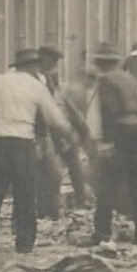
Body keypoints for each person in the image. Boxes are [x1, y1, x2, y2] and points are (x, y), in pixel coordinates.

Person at [0, 47, 75, 256]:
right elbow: (54, 119)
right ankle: (24, 243)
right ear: (33, 66)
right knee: (25, 195)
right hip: (22, 143)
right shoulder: (36, 86)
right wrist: (71, 134)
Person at [89, 42, 137, 246]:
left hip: (121, 131)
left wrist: (108, 142)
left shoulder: (106, 81)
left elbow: (109, 111)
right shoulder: (130, 79)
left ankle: (101, 232)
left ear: (101, 63)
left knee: (107, 183)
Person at [37, 46, 93, 210]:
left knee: (72, 160)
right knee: (51, 172)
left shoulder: (48, 78)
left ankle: (81, 199)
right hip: (44, 129)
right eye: (52, 61)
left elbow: (62, 100)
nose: (54, 65)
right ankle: (49, 207)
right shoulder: (35, 79)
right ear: (43, 58)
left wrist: (79, 123)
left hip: (56, 126)